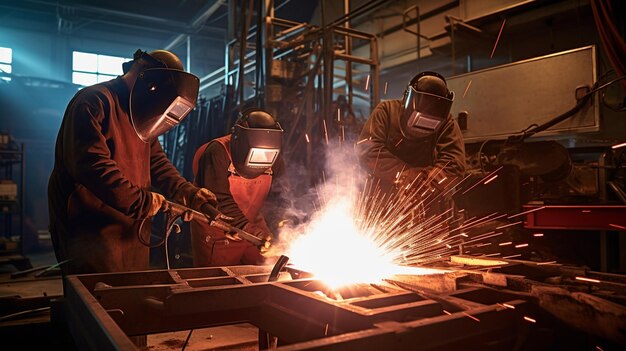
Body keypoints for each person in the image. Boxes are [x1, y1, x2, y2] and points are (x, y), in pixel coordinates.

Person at [48, 49, 220, 276]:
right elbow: (93, 166)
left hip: (131, 226)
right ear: (149, 81)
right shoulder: (93, 102)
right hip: (90, 227)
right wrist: (142, 202)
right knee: (95, 299)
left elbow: (156, 161)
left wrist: (186, 192)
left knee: (131, 292)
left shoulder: (140, 113)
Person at [356, 71, 465, 212]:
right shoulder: (386, 111)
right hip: (382, 198)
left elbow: (455, 164)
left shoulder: (447, 122)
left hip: (426, 201)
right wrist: (405, 173)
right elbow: (367, 151)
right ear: (408, 100)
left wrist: (430, 181)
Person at [191, 109, 283, 266]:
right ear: (238, 141)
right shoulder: (217, 152)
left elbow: (279, 195)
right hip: (217, 228)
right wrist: (245, 228)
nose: (262, 159)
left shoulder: (273, 156)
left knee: (267, 277)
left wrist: (281, 224)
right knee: (217, 286)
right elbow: (218, 198)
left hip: (253, 225)